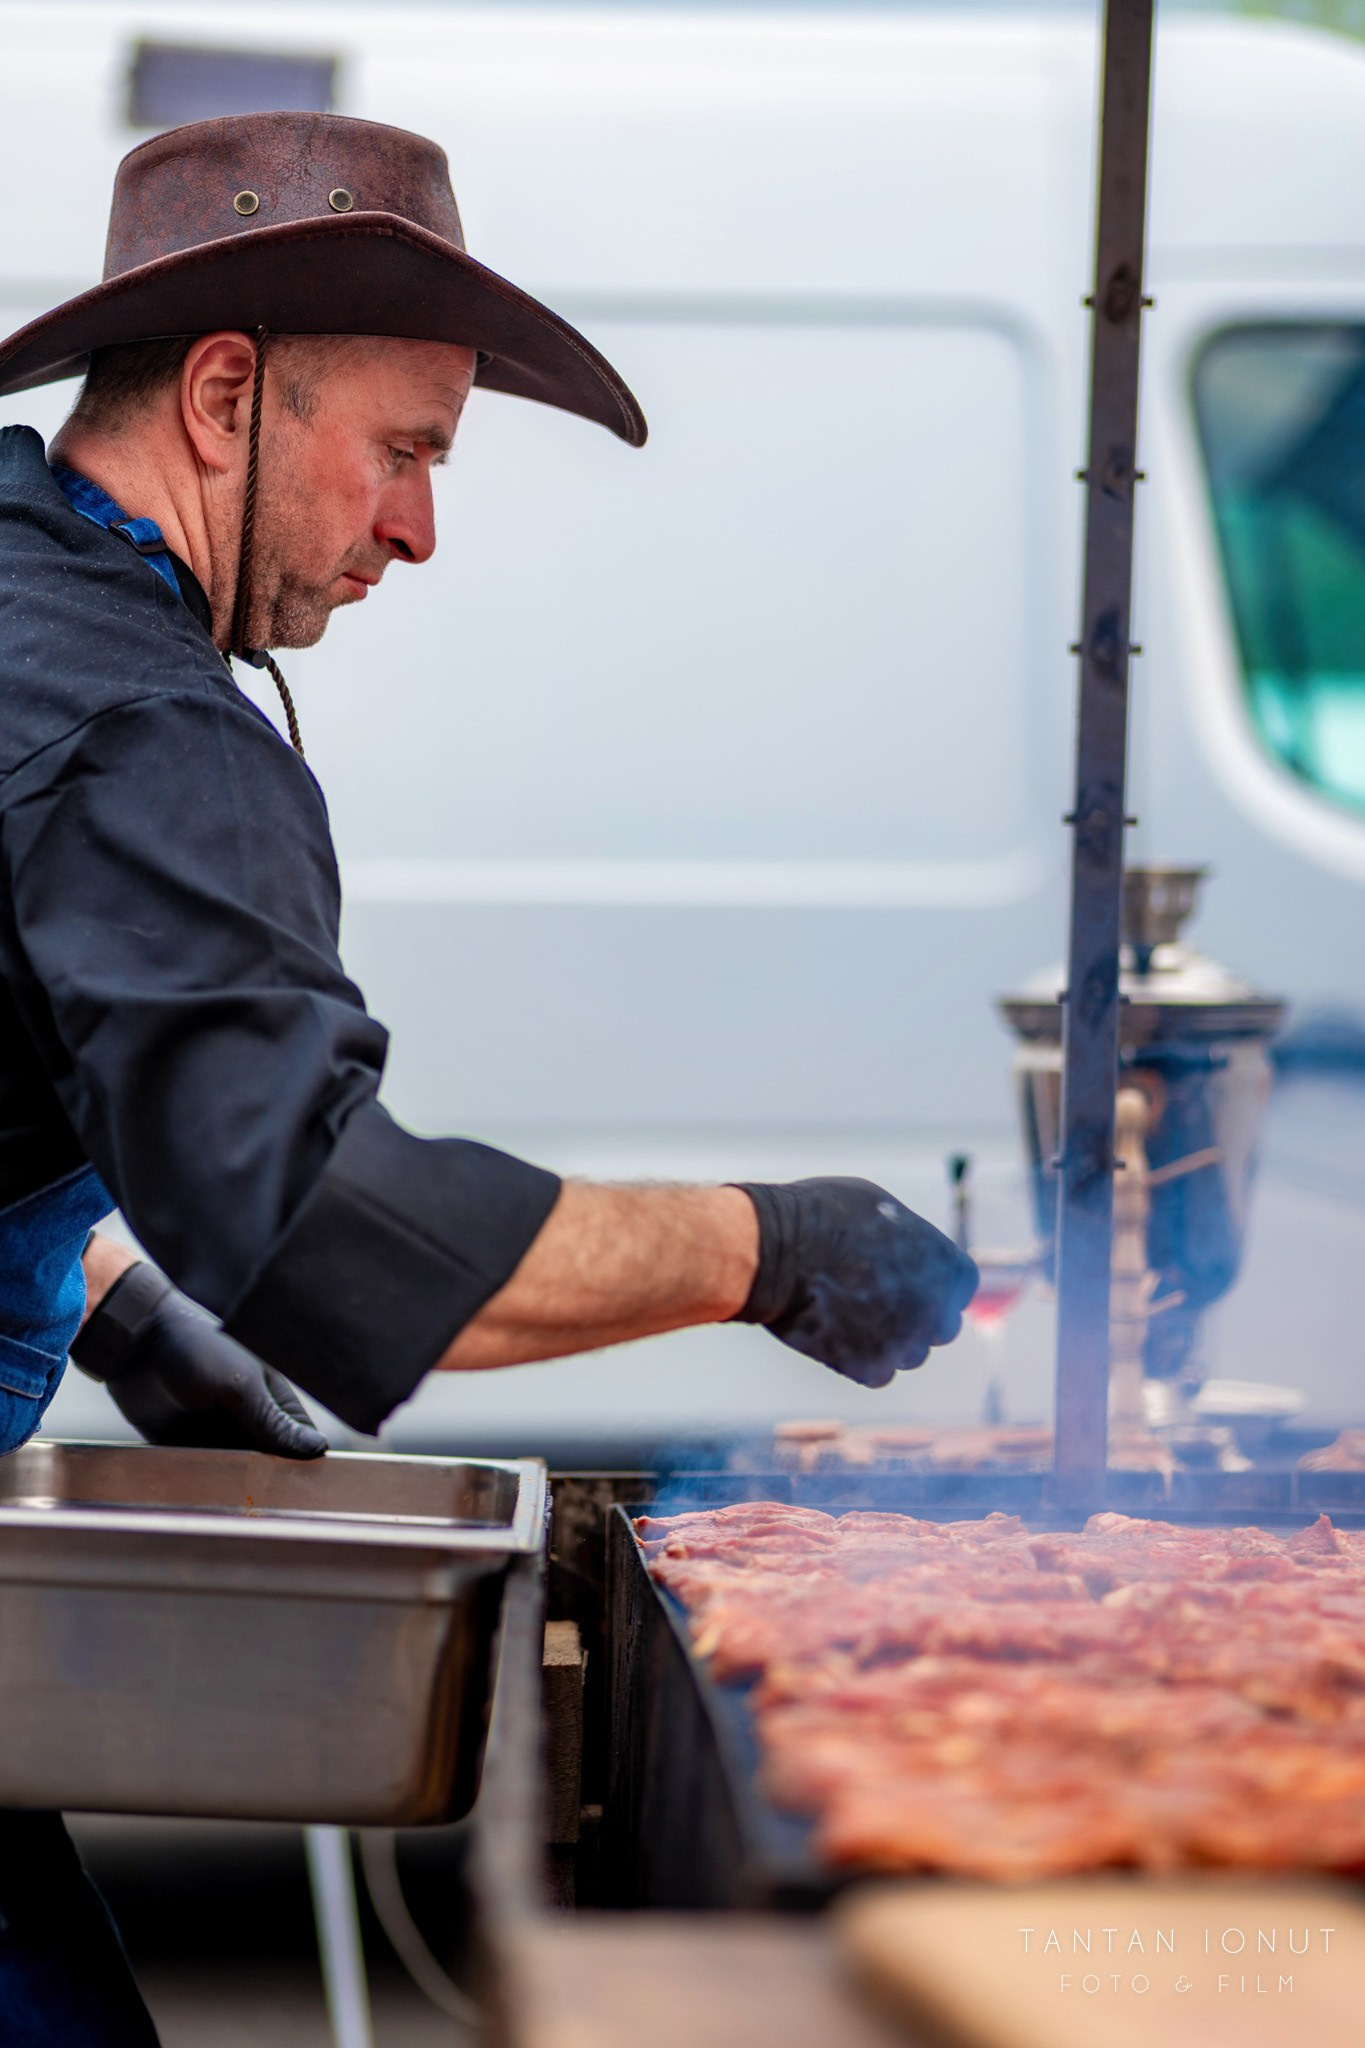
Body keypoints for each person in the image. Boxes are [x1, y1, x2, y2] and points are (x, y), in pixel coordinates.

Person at [0, 112, 976, 2040]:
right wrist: (765, 1248)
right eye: (409, 452)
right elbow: (324, 1227)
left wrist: (116, 1303)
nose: (419, 531)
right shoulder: (144, 730)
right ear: (222, 394)